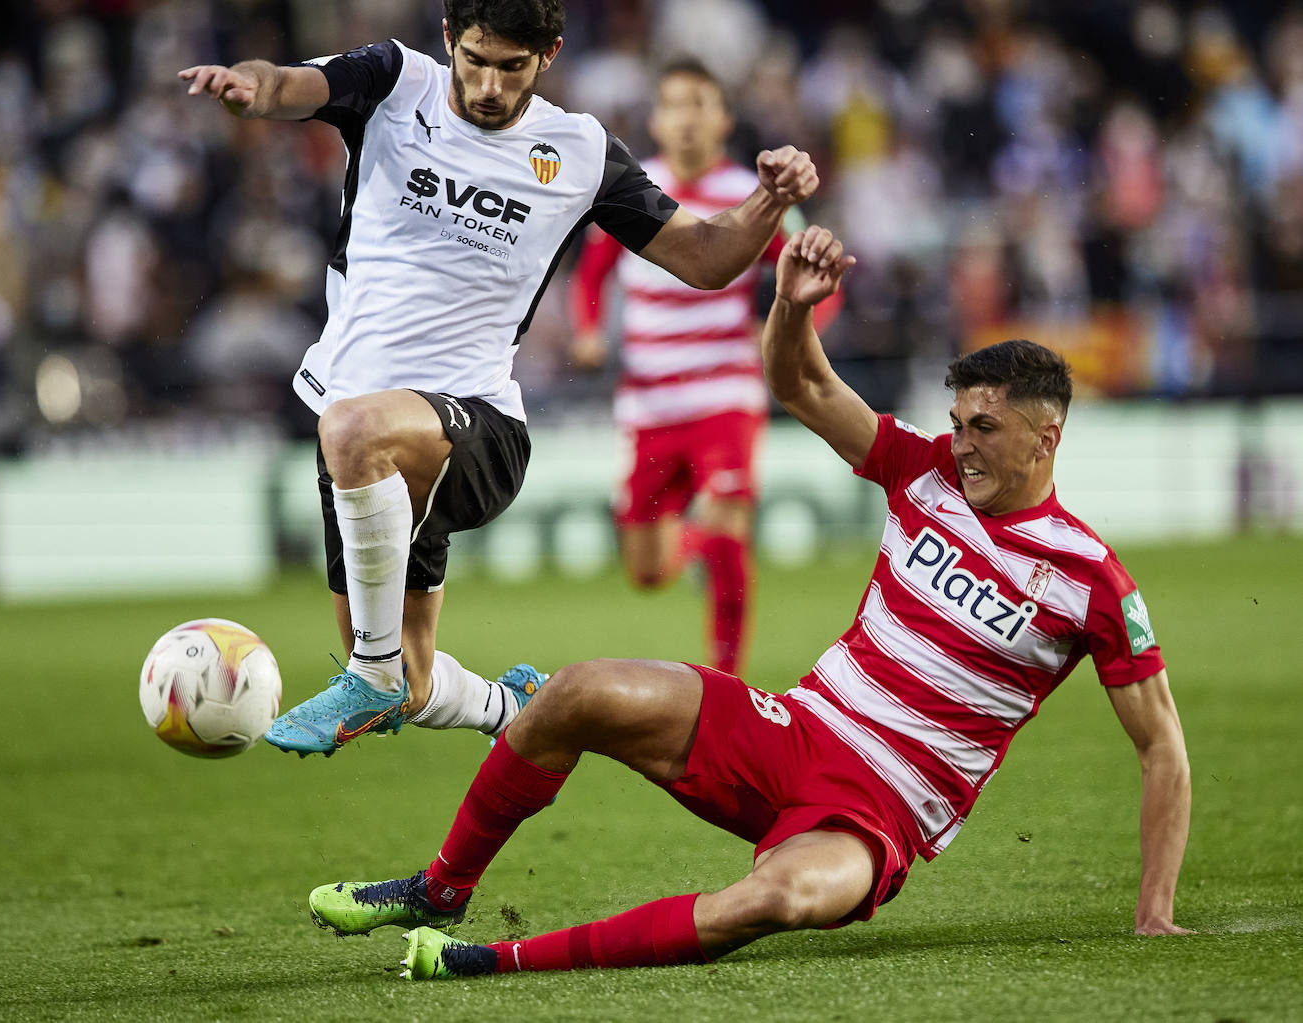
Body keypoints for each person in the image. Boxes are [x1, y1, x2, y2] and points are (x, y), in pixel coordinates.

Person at [303, 226, 1193, 978]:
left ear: (1049, 435)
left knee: (780, 899)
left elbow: (1161, 748)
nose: (960, 444)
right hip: (791, 729)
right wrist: (792, 304)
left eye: (984, 429)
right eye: (957, 423)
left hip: (875, 813)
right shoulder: (921, 472)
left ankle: (491, 959)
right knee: (571, 692)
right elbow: (802, 385)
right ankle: (443, 885)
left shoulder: (1090, 579)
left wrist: (1154, 910)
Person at [178, 0, 820, 757]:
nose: (487, 84)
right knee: (411, 680)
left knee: (351, 440)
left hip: (477, 429)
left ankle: (373, 675)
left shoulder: (577, 151)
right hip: (365, 451)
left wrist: (769, 200)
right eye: (475, 59)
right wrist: (248, 86)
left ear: (548, 53)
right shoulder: (392, 82)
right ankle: (511, 705)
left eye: (511, 67)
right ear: (449, 39)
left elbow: (708, 256)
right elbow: (288, 85)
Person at [569, 57, 837, 675]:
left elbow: (817, 276)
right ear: (656, 120)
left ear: (723, 120)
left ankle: (726, 680)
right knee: (646, 571)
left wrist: (791, 333)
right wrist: (586, 329)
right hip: (649, 403)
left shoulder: (755, 196)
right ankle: (690, 547)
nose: (686, 118)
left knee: (728, 526)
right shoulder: (632, 189)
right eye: (674, 104)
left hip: (725, 395)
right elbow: (593, 269)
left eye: (700, 104)